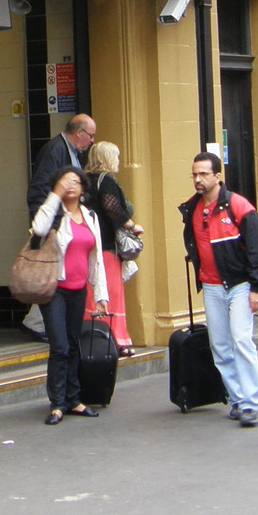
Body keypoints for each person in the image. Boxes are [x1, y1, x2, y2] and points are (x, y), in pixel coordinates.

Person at [179, 151, 258, 427]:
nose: (198, 179)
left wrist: (257, 287)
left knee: (241, 341)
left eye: (203, 174)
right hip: (211, 286)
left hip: (240, 285)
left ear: (218, 176)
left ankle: (251, 404)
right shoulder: (191, 209)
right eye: (194, 174)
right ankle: (238, 399)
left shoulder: (239, 206)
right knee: (219, 345)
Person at [30, 165, 110, 425]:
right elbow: (39, 230)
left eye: (75, 181)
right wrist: (54, 195)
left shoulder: (90, 217)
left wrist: (101, 294)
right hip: (54, 289)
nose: (70, 185)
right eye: (65, 182)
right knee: (60, 346)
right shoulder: (54, 214)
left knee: (74, 344)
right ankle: (57, 404)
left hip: (78, 289)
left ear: (84, 187)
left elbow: (96, 258)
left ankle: (74, 399)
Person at [23, 113, 96, 340]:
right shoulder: (56, 150)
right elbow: (40, 187)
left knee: (56, 271)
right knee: (51, 270)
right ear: (79, 133)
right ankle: (35, 322)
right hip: (55, 223)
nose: (92, 141)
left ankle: (38, 321)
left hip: (64, 222)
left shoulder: (70, 152)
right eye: (91, 136)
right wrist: (44, 222)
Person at [82, 140, 142, 356]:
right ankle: (116, 339)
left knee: (93, 292)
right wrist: (132, 226)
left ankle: (93, 338)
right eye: (115, 156)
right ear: (107, 158)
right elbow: (112, 207)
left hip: (88, 244)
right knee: (111, 292)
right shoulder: (106, 180)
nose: (118, 160)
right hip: (106, 245)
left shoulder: (84, 180)